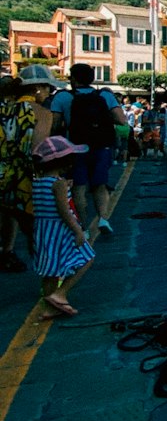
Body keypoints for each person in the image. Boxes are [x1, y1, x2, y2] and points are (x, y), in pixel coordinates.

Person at [49, 63, 125, 235]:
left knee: (79, 187)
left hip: (74, 147)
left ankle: (83, 227)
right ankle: (103, 218)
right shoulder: (105, 95)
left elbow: (54, 126)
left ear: (73, 79)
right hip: (101, 146)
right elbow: (121, 120)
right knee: (100, 185)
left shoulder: (62, 97)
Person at [31, 134, 95, 317]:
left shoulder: (38, 182)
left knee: (49, 270)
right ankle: (61, 294)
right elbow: (63, 210)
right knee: (87, 257)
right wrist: (78, 231)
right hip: (61, 229)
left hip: (44, 231)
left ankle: (49, 307)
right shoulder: (58, 184)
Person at [1, 66, 56, 270]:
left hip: (2, 171)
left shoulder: (4, 108)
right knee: (35, 228)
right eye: (48, 88)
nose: (50, 93)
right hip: (24, 176)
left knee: (6, 215)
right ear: (37, 89)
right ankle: (49, 275)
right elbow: (38, 150)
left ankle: (6, 252)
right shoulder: (42, 113)